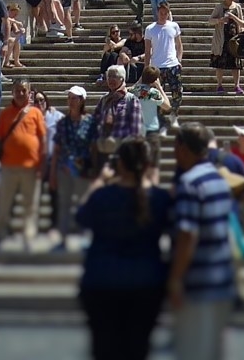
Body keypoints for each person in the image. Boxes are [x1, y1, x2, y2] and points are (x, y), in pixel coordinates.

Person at [76, 136, 172, 360]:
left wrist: (99, 181)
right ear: (148, 165)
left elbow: (81, 217)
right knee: (138, 349)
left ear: (119, 164)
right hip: (146, 281)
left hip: (102, 280)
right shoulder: (159, 199)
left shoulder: (102, 196)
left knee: (104, 350)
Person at [167, 123, 238, 360]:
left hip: (197, 284)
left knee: (192, 351)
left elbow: (188, 235)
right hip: (221, 281)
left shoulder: (189, 184)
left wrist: (176, 279)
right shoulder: (219, 179)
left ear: (184, 148)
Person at [0, 79, 49, 246]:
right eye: (17, 90)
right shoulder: (5, 114)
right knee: (4, 202)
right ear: (12, 92)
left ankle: (28, 235)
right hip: (8, 166)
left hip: (31, 166)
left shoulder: (36, 113)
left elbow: (43, 139)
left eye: (24, 90)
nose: (20, 93)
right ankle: (0, 233)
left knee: (30, 204)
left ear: (29, 92)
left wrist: (42, 164)